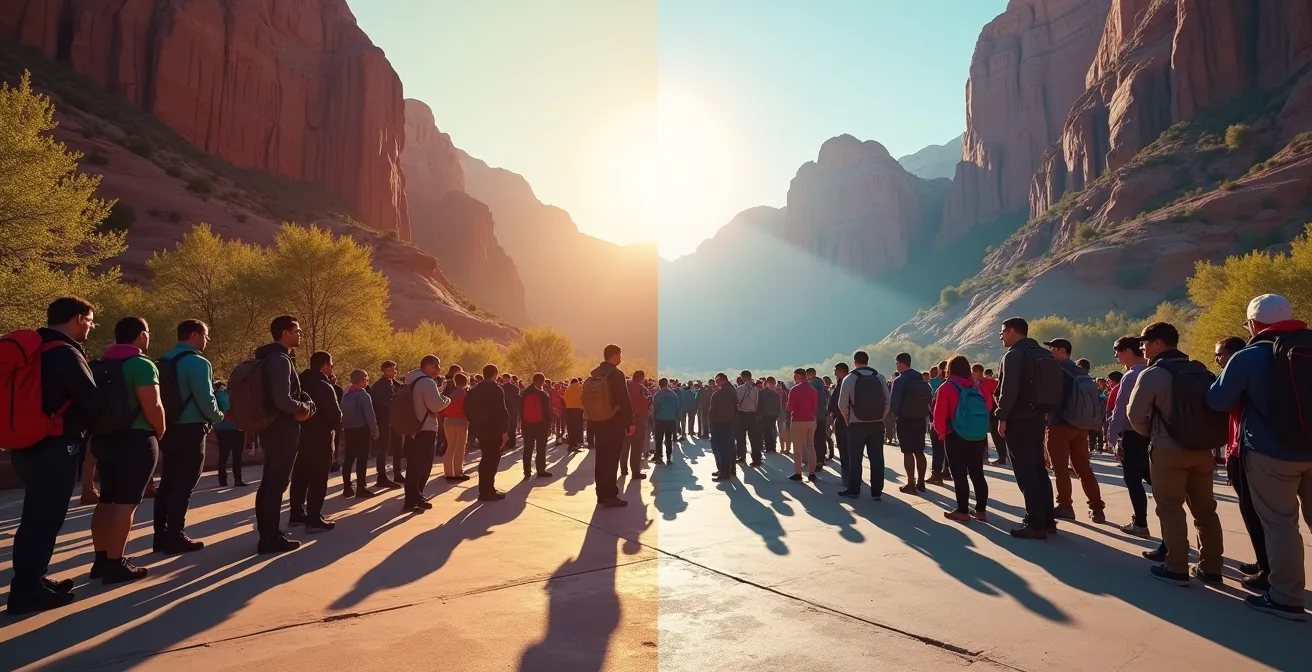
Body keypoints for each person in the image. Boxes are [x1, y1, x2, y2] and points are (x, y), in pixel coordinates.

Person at [1207, 295, 1311, 620]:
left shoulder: (1249, 355)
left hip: (1271, 452)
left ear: (1253, 324)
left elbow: (1218, 400)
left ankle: (1286, 597)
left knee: (1281, 524)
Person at [4, 298, 100, 614]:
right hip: (56, 446)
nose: (90, 326)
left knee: (34, 517)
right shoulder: (65, 352)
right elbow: (92, 400)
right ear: (77, 318)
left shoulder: (33, 349)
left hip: (24, 445)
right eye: (89, 320)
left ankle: (33, 579)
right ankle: (26, 591)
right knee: (43, 521)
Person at [1127, 321, 1224, 586]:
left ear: (1158, 343)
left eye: (1145, 343)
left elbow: (1134, 416)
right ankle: (1212, 567)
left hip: (1168, 449)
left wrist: (1153, 434)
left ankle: (1177, 566)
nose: (1142, 348)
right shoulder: (1198, 370)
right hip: (1203, 450)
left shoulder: (1153, 374)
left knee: (1170, 508)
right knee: (1206, 510)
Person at [88, 317, 161, 584]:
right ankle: (115, 563)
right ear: (141, 335)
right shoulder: (141, 365)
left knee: (106, 500)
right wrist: (159, 432)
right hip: (136, 439)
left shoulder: (101, 365)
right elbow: (153, 406)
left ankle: (100, 561)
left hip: (105, 439)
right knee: (126, 504)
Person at [154, 319, 223, 553]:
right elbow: (206, 399)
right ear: (195, 335)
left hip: (168, 427)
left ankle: (160, 535)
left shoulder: (163, 360)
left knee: (167, 482)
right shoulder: (198, 363)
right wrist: (218, 416)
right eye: (205, 335)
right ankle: (176, 535)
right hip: (191, 429)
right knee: (184, 485)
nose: (207, 340)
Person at [1208, 334, 1268, 591]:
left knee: (1254, 511)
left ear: (1234, 354)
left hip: (1243, 449)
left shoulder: (1241, 373)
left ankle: (1268, 569)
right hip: (1242, 448)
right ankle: (1265, 560)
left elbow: (1216, 399)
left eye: (1220, 355)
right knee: (1256, 511)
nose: (1218, 360)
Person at [253, 315, 316, 554]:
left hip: (273, 426)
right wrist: (305, 408)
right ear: (285, 333)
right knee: (275, 482)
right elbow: (283, 400)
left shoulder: (269, 357)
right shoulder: (280, 359)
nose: (300, 334)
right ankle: (270, 538)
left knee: (271, 481)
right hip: (281, 427)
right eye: (297, 331)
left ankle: (269, 534)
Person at [996, 317, 1058, 539]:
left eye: (1003, 331)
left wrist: (1002, 417)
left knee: (1025, 471)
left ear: (1012, 331)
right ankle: (1048, 519)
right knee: (1038, 469)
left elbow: (1008, 390)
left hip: (1019, 419)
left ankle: (1035, 522)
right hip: (1038, 417)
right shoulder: (1041, 352)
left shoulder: (1014, 355)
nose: (1001, 336)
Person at [1041, 338, 1107, 523]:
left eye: (1053, 349)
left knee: (1060, 469)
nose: (1051, 352)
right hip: (1080, 427)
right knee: (1084, 469)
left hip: (1059, 424)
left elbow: (1051, 397)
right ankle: (1097, 508)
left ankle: (1065, 505)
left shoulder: (1057, 370)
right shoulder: (1080, 371)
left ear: (1063, 351)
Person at [933, 355, 991, 522]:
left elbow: (939, 415)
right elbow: (987, 405)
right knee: (977, 472)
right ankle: (980, 511)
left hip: (956, 435)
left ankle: (963, 510)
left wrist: (941, 432)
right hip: (978, 435)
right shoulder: (977, 387)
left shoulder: (946, 387)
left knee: (959, 474)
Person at [290, 351, 341, 533]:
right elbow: (336, 415)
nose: (332, 368)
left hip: (299, 436)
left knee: (300, 476)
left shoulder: (298, 382)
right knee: (318, 479)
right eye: (331, 364)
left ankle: (296, 514)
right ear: (324, 365)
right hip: (320, 437)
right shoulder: (324, 386)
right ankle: (313, 519)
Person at [1106, 336, 1151, 538]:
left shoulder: (1131, 375)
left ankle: (1140, 522)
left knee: (1133, 480)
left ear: (1128, 351)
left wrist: (1112, 435)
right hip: (1153, 434)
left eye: (1117, 350)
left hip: (1133, 435)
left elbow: (1121, 409)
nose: (1115, 354)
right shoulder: (1154, 371)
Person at [587, 345, 636, 507]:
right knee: (612, 458)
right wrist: (631, 422)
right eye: (620, 354)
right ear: (615, 356)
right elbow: (623, 399)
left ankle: (601, 493)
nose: (621, 357)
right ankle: (610, 495)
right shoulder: (615, 374)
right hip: (613, 422)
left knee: (601, 458)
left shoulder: (596, 373)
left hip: (597, 421)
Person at [401, 355, 452, 510]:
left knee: (414, 465)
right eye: (435, 366)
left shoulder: (411, 379)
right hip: (425, 428)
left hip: (412, 427)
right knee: (421, 466)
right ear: (427, 366)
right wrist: (446, 399)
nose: (438, 369)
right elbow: (436, 405)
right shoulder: (427, 382)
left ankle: (416, 496)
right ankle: (412, 500)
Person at [837, 351, 889, 500]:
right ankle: (877, 492)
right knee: (877, 458)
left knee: (855, 458)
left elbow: (842, 404)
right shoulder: (879, 377)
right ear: (868, 360)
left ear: (855, 362)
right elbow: (888, 401)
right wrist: (881, 416)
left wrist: (848, 419)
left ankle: (854, 490)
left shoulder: (850, 378)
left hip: (857, 424)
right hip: (877, 424)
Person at [465, 363, 510, 501]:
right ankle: (487, 490)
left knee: (485, 459)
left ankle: (484, 489)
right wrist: (504, 430)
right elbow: (502, 411)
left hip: (481, 429)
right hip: (494, 429)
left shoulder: (473, 391)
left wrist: (474, 425)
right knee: (492, 460)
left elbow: (467, 409)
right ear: (495, 375)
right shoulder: (497, 390)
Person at [890, 352, 931, 494]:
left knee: (907, 452)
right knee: (919, 452)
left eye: (897, 363)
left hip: (905, 420)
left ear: (901, 363)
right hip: (920, 419)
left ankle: (910, 483)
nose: (896, 366)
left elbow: (894, 403)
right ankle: (921, 482)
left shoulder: (900, 381)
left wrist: (897, 413)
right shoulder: (920, 379)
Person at [340, 369, 379, 498]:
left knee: (349, 459)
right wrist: (375, 430)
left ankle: (347, 487)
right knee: (362, 459)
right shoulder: (363, 394)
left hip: (349, 430)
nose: (367, 381)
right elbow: (370, 414)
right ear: (362, 379)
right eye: (366, 378)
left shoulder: (346, 393)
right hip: (362, 429)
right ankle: (361, 487)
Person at [369, 361, 403, 489]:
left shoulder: (396, 384)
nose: (393, 372)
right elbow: (384, 404)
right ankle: (381, 476)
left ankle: (397, 472)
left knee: (398, 448)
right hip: (384, 421)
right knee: (382, 449)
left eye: (394, 369)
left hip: (396, 421)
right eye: (390, 370)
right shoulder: (379, 386)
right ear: (383, 371)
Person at [785, 368, 819, 482]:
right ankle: (812, 472)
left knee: (798, 448)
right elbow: (815, 408)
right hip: (811, 420)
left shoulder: (794, 390)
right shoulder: (813, 390)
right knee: (811, 446)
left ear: (798, 377)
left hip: (798, 421)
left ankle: (798, 473)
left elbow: (790, 408)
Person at [213, 381, 247, 487]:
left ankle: (222, 480)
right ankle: (238, 479)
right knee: (237, 455)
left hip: (220, 428)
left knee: (223, 454)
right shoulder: (235, 394)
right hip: (235, 428)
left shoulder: (217, 394)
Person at [521, 373, 554, 479]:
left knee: (528, 448)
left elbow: (521, 410)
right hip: (541, 425)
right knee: (541, 448)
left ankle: (527, 471)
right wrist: (549, 425)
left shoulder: (524, 393)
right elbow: (547, 412)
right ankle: (540, 469)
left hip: (527, 425)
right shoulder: (543, 394)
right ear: (543, 381)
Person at [441, 373, 471, 481]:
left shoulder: (451, 394)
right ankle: (458, 472)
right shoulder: (464, 394)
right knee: (460, 448)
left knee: (450, 446)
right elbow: (467, 409)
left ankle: (448, 472)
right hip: (461, 421)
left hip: (448, 420)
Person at [709, 373, 738, 482]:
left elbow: (713, 410)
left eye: (717, 380)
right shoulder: (732, 390)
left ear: (722, 380)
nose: (716, 383)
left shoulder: (720, 393)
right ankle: (729, 469)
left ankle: (724, 471)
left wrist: (712, 420)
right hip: (730, 422)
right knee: (730, 446)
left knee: (720, 448)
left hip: (720, 423)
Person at [623, 371, 651, 476]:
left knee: (624, 445)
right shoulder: (642, 389)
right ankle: (635, 471)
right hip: (639, 419)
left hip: (625, 419)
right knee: (637, 446)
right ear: (641, 378)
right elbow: (648, 402)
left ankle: (623, 469)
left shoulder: (624, 386)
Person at [976, 366, 1005, 465]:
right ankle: (1002, 456)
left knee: (993, 432)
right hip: (994, 408)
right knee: (995, 433)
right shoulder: (991, 382)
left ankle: (1000, 457)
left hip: (991, 409)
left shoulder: (982, 383)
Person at [734, 369, 762, 466]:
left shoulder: (739, 389)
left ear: (742, 378)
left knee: (741, 437)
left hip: (742, 414)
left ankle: (741, 456)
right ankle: (757, 458)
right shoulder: (756, 389)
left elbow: (735, 402)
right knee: (754, 438)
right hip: (753, 415)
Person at [828, 363, 850, 476]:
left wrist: (832, 415)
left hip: (842, 418)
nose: (834, 373)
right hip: (849, 418)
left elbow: (838, 402)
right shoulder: (849, 381)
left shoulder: (844, 383)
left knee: (844, 447)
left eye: (835, 370)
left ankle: (847, 474)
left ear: (841, 370)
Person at [652, 378, 680, 464]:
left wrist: (654, 417)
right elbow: (677, 408)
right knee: (669, 438)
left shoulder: (658, 395)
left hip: (660, 419)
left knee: (659, 438)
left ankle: (659, 456)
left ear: (659, 385)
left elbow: (655, 408)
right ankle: (668, 456)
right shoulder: (673, 394)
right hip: (671, 420)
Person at [758, 378, 782, 453]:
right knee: (772, 430)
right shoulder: (775, 393)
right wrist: (777, 413)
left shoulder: (761, 393)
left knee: (765, 431)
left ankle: (768, 447)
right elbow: (778, 404)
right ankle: (772, 447)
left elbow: (759, 404)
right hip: (773, 415)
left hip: (764, 415)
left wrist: (759, 414)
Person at [501, 374, 521, 451]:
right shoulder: (515, 388)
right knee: (512, 427)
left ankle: (506, 444)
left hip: (507, 410)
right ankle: (511, 444)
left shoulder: (501, 388)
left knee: (507, 427)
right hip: (513, 410)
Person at [564, 377, 584, 451]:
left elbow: (564, 398)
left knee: (570, 428)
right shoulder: (580, 388)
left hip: (568, 410)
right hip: (577, 410)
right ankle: (576, 444)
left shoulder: (568, 389)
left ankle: (571, 444)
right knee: (577, 428)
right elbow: (583, 398)